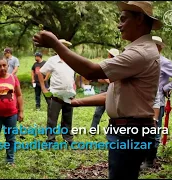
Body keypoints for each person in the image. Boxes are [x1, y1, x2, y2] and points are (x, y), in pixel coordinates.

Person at [33, 1, 162, 179]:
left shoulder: (140, 53)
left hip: (131, 132)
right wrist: (74, 102)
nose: (119, 24)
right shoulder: (139, 51)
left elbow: (91, 71)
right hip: (127, 131)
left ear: (139, 19)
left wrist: (55, 44)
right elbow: (113, 94)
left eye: (123, 19)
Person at [141, 36, 172, 169]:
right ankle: (143, 157)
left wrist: (165, 88)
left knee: (154, 129)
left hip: (156, 101)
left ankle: (150, 160)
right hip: (142, 100)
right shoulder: (144, 61)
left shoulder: (164, 62)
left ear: (159, 48)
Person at [37, 39, 76, 145]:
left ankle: (68, 138)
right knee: (52, 118)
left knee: (67, 117)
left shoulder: (71, 60)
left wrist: (74, 88)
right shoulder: (53, 60)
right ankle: (51, 139)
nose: (64, 49)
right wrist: (44, 88)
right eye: (61, 47)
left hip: (69, 93)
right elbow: (40, 73)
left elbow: (72, 76)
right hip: (56, 94)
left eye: (65, 47)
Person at [90, 48, 119, 130]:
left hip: (114, 93)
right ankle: (93, 129)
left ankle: (113, 130)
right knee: (97, 112)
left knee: (115, 115)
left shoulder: (118, 67)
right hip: (104, 91)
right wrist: (108, 80)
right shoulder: (105, 65)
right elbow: (99, 79)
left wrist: (107, 79)